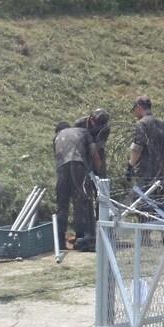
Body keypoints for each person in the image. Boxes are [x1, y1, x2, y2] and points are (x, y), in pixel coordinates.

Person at [54, 121, 100, 252]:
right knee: (81, 202)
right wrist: (98, 171)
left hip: (62, 168)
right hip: (78, 165)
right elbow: (94, 154)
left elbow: (58, 158)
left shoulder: (57, 137)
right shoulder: (83, 132)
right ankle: (82, 240)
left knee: (62, 204)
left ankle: (60, 241)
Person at [126, 95, 164, 197]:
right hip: (161, 173)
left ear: (139, 107)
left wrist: (130, 166)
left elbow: (137, 148)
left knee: (139, 202)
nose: (134, 113)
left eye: (134, 109)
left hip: (145, 173)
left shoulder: (142, 124)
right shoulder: (162, 124)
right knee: (158, 202)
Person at [73, 108, 111, 178]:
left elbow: (99, 146)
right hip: (82, 145)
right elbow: (75, 140)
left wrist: (97, 163)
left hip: (95, 145)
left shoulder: (105, 128)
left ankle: (100, 179)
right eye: (96, 124)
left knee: (100, 163)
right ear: (91, 119)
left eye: (101, 125)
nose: (98, 127)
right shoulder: (79, 123)